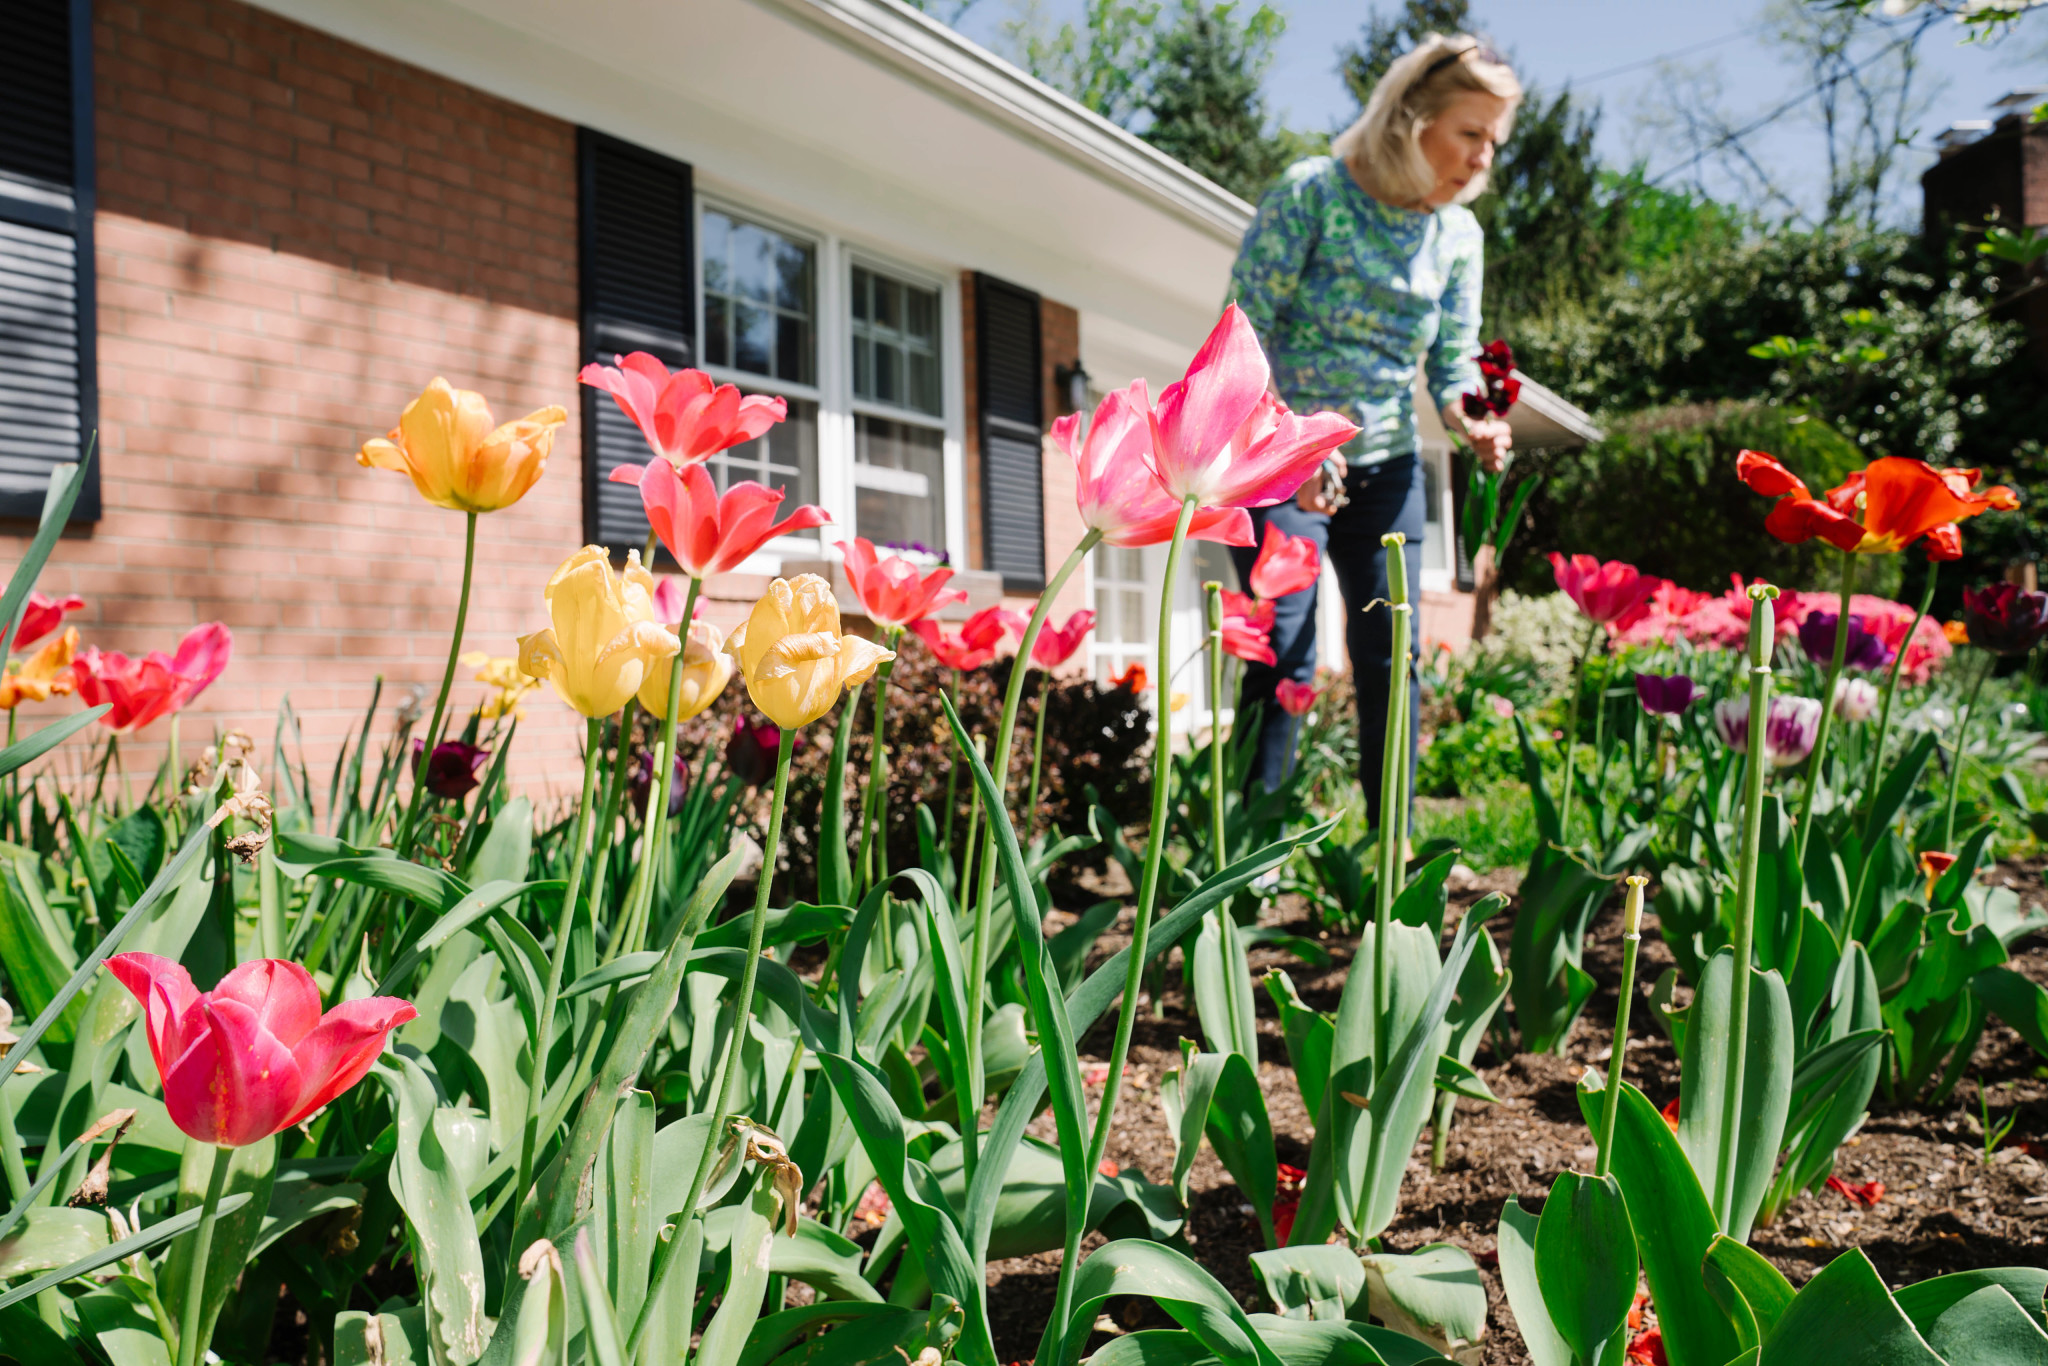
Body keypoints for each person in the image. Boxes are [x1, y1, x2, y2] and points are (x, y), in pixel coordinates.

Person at [1227, 32, 1519, 831]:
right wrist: (1293, 443)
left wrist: (1472, 419)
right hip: (1276, 458)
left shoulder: (1458, 237)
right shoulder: (1313, 193)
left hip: (1386, 467)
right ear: (1410, 117)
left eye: (1495, 139)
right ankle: (1251, 853)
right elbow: (1244, 332)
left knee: (1394, 656)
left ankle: (1392, 857)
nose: (1484, 157)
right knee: (1281, 646)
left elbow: (1453, 359)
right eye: (1470, 131)